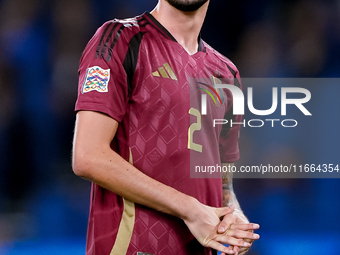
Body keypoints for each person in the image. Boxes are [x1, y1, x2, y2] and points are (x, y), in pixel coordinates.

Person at [72, 0, 260, 254]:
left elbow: (223, 182)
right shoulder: (120, 39)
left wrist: (232, 215)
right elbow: (88, 156)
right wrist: (189, 209)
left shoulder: (226, 73)